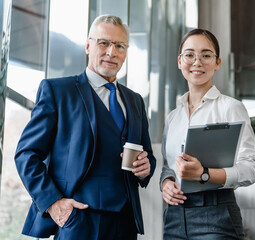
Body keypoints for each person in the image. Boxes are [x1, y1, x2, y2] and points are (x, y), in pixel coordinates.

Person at [14, 14, 156, 240]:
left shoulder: (135, 101)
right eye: (104, 43)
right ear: (88, 45)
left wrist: (146, 167)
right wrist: (53, 203)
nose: (112, 52)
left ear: (126, 51)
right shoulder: (58, 91)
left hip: (125, 221)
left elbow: (146, 155)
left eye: (119, 45)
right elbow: (26, 154)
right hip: (78, 220)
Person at [160, 29, 255, 240]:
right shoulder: (172, 118)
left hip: (216, 215)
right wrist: (166, 183)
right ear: (180, 62)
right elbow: (167, 166)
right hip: (174, 218)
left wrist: (204, 174)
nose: (197, 62)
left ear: (217, 62)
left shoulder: (231, 108)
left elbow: (250, 169)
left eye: (206, 55)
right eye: (189, 55)